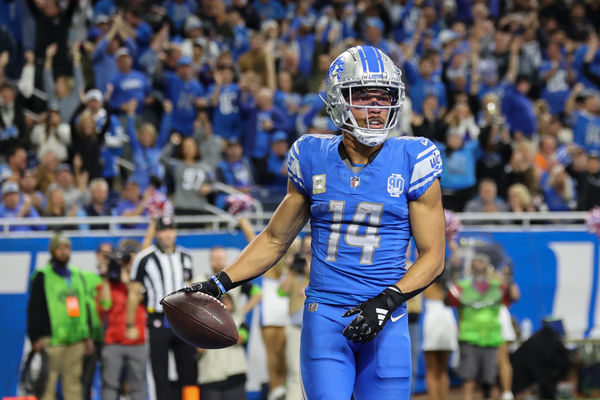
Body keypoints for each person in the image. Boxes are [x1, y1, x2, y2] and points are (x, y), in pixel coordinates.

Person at [175, 46, 445, 399]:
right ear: (339, 100)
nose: (377, 107)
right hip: (326, 315)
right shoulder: (312, 156)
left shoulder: (413, 158)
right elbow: (274, 239)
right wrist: (217, 284)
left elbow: (433, 256)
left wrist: (387, 301)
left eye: (385, 97)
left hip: (387, 319)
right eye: (364, 96)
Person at [130, 215, 197, 400]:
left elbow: (190, 289)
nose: (167, 235)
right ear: (156, 233)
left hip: (184, 320)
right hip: (158, 320)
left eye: (170, 230)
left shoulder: (186, 257)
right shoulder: (145, 258)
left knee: (189, 371)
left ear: (175, 232)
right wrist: (130, 324)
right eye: (163, 230)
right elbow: (134, 292)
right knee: (160, 373)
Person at [26, 231, 94, 400]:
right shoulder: (42, 276)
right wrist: (35, 338)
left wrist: (87, 336)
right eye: (59, 248)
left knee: (73, 387)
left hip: (75, 341)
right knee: (47, 387)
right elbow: (34, 309)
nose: (64, 251)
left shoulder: (77, 275)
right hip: (51, 341)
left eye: (66, 248)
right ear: (52, 251)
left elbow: (85, 307)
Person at [446, 253, 503, 400]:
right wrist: (453, 270)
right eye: (475, 267)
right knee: (468, 378)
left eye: (481, 268)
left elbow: (514, 296)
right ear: (470, 269)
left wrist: (507, 278)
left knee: (489, 380)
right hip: (469, 337)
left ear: (487, 269)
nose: (478, 271)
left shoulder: (497, 286)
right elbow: (449, 300)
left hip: (491, 337)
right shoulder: (462, 286)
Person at [97, 240, 147, 400]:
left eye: (135, 261)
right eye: (128, 260)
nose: (131, 264)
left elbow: (139, 295)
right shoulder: (111, 283)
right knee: (110, 385)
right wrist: (106, 277)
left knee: (138, 386)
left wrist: (130, 280)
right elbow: (104, 304)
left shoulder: (142, 282)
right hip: (114, 340)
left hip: (137, 341)